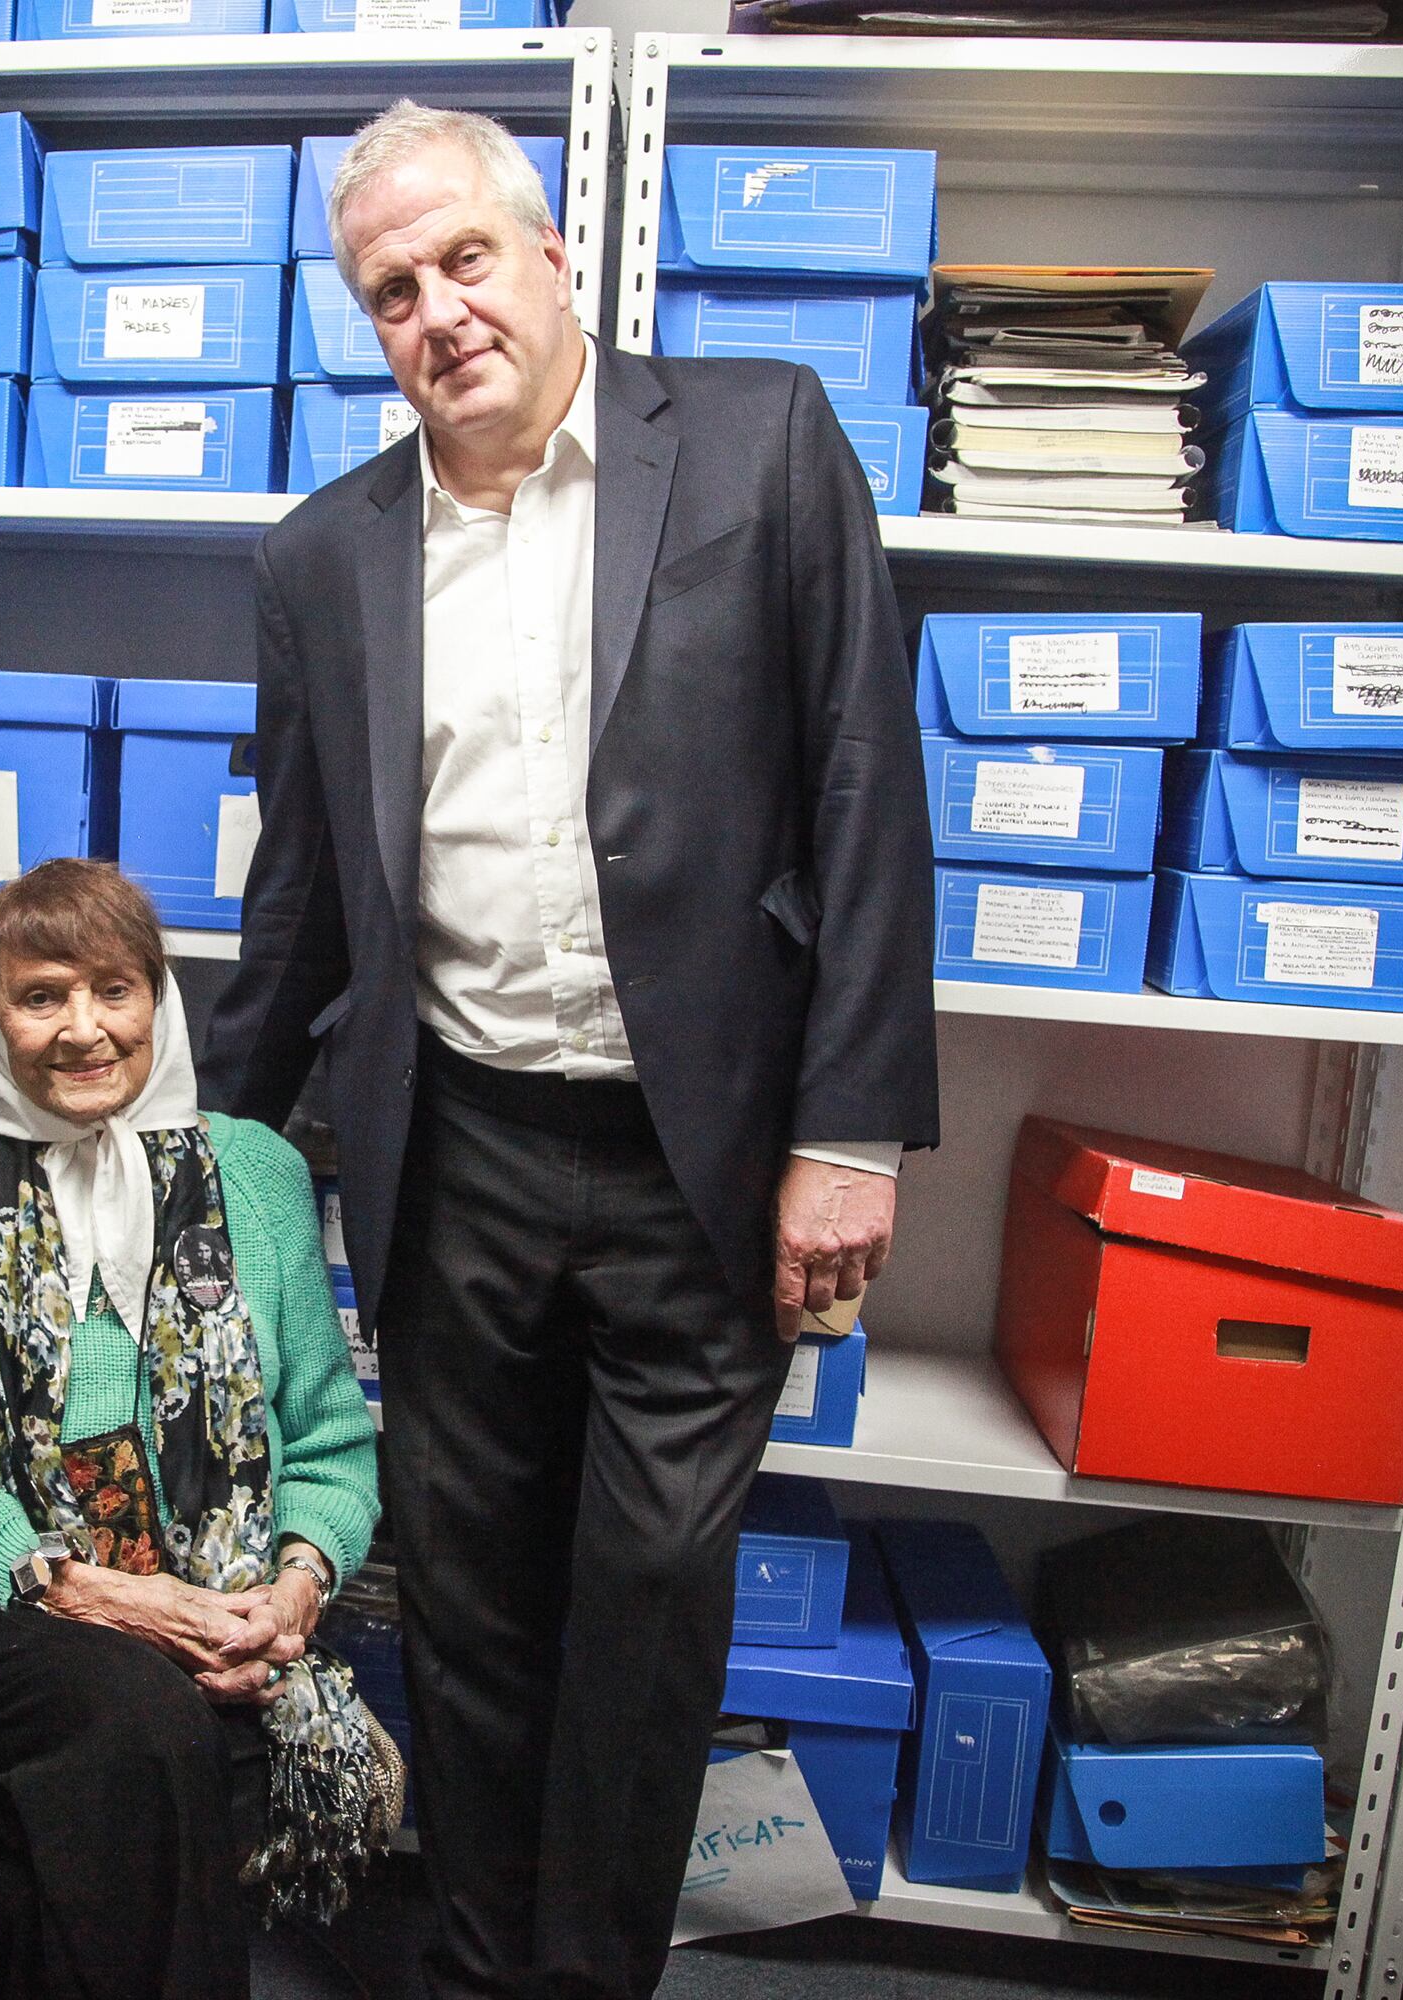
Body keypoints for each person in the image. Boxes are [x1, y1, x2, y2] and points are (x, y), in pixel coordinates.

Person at [201, 103, 940, 2000]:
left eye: (463, 261)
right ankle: (471, 1967)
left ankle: (589, 1975)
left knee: (647, 1598)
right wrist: (198, 1153)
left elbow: (866, 786)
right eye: (389, 291)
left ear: (553, 256)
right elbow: (302, 899)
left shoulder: (762, 441)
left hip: (706, 1153)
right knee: (461, 1598)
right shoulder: (321, 562)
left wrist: (849, 1132)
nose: (437, 311)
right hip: (457, 1150)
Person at [0, 857, 384, 2000]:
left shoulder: (259, 1176)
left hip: (224, 1622)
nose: (82, 1028)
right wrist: (100, 1597)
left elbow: (331, 1443)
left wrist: (287, 1596)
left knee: (128, 1760)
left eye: (114, 989)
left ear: (160, 1003)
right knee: (143, 1720)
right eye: (41, 995)